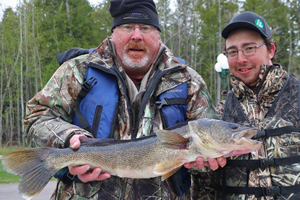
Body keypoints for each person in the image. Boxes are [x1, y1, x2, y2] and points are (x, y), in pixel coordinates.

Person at [24, 0, 223, 199]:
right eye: (127, 27)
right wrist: (69, 137)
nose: (136, 35)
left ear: (158, 35)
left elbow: (206, 171)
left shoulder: (189, 81)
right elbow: (38, 116)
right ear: (113, 33)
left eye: (145, 28)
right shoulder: (78, 70)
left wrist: (204, 164)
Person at [194, 11, 300, 199]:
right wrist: (199, 167)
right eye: (232, 51)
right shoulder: (217, 115)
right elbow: (205, 186)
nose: (240, 58)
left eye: (249, 48)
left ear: (271, 50)